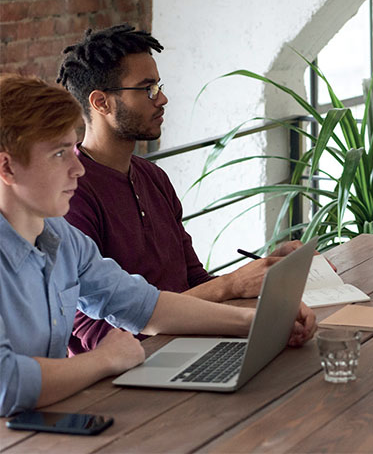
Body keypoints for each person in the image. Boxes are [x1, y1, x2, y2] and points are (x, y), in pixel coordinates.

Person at [0, 74, 317, 416]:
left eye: (73, 148)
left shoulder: (63, 239)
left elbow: (145, 307)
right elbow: (7, 385)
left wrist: (257, 322)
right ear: (7, 167)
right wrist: (105, 360)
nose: (78, 168)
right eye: (59, 154)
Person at [55, 25, 303, 354]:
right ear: (101, 103)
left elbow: (194, 281)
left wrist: (263, 276)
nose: (162, 98)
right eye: (147, 89)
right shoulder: (70, 195)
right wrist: (231, 287)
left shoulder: (153, 177)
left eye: (158, 86)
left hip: (191, 345)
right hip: (127, 374)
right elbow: (96, 336)